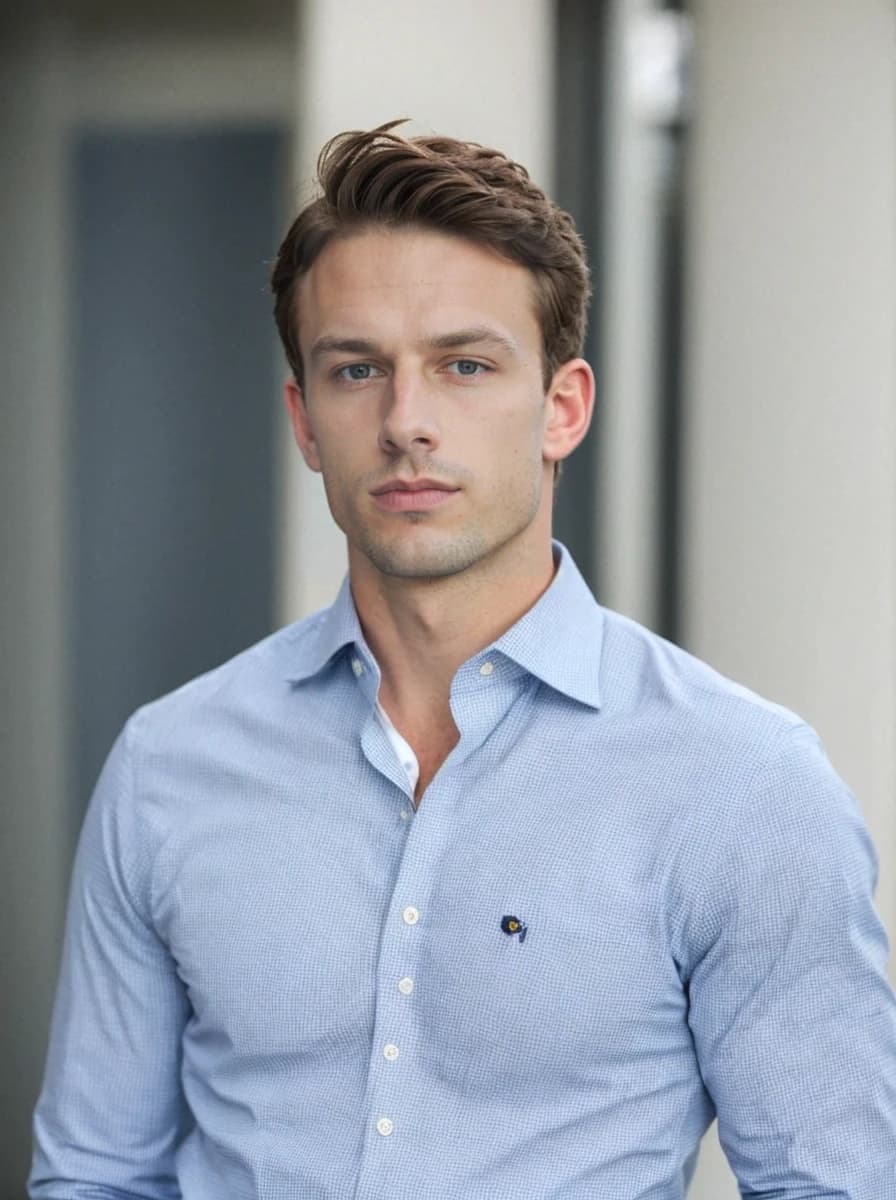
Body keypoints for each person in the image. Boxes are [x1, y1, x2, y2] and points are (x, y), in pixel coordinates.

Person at [30, 121, 896, 1199]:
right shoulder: (168, 767)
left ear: (561, 407)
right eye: (356, 370)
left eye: (464, 366)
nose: (405, 423)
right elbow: (97, 1176)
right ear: (304, 421)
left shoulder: (742, 783)